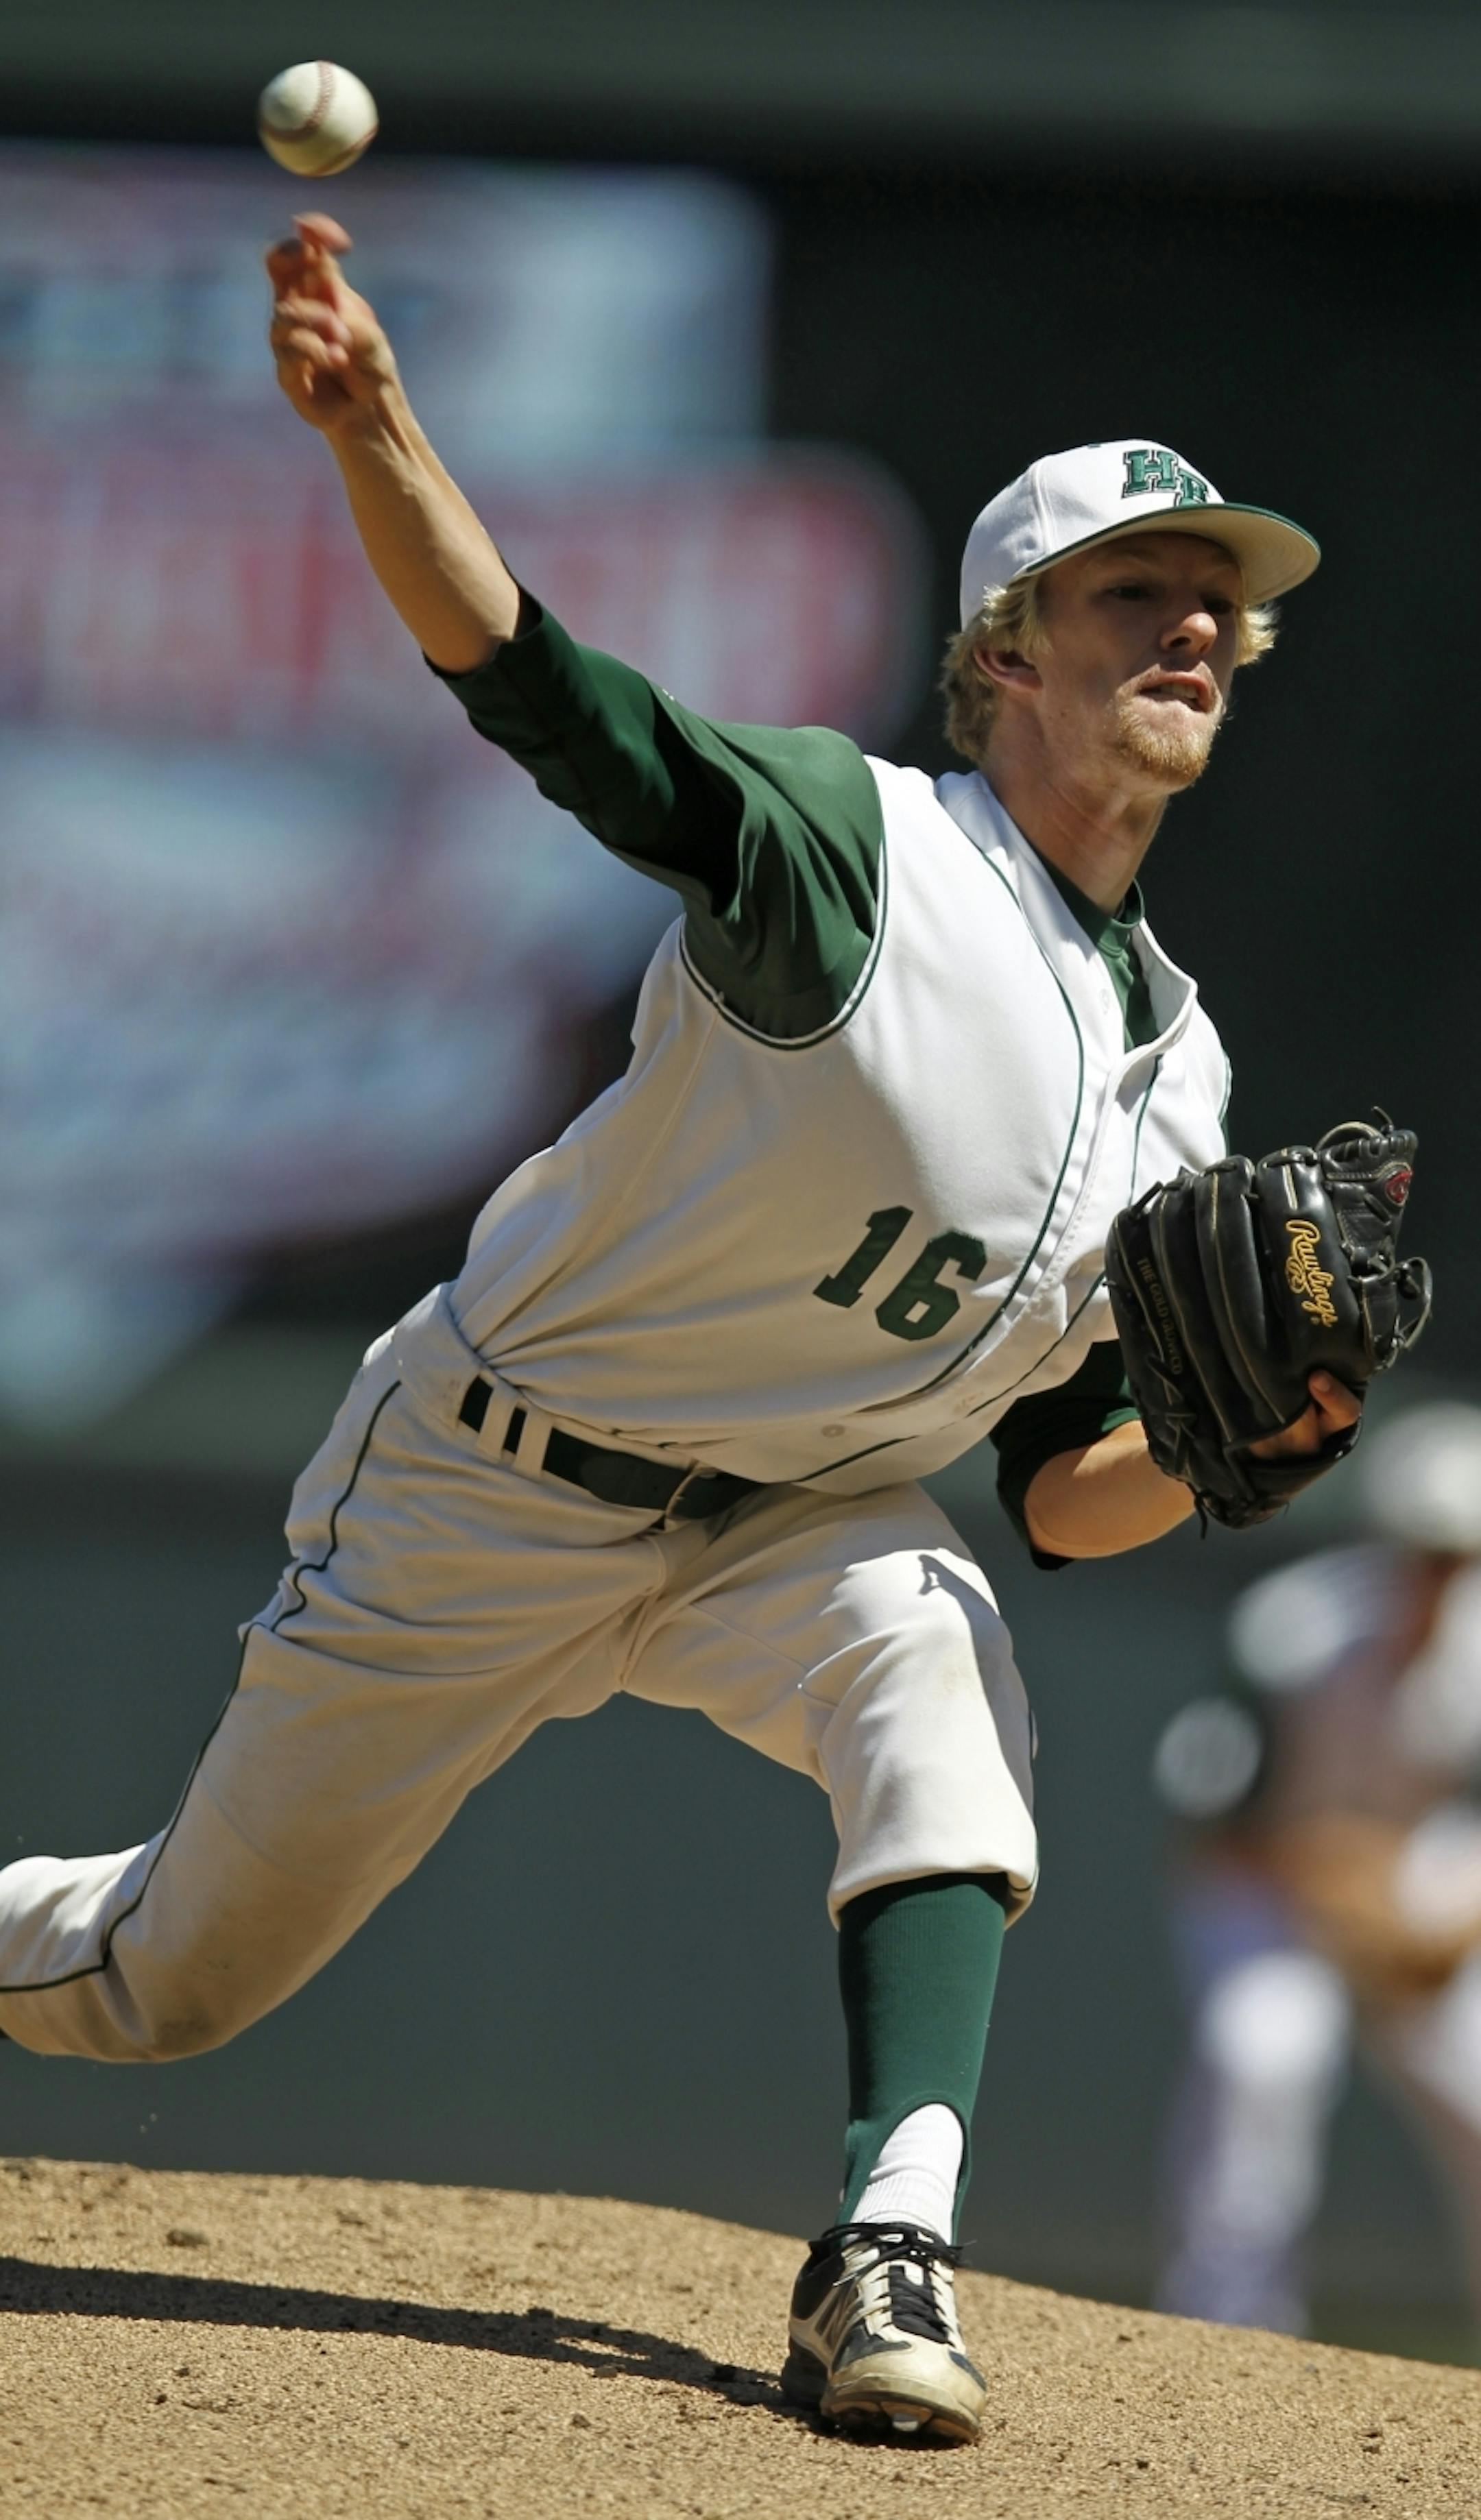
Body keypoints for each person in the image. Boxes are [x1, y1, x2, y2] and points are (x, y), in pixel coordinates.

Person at [0, 213, 1357, 2448]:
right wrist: (379, 434)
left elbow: (1061, 1502)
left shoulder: (1183, 1079)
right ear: (1007, 650)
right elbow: (545, 692)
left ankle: (887, 2243)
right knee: (166, 1988)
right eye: (1143, 588)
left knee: (937, 1645)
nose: (1202, 622)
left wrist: (1242, 1449)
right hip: (495, 1468)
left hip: (794, 1519)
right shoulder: (859, 855)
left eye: (1225, 602)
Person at [1154, 1404, 1481, 2341]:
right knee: (1264, 2054)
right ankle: (1230, 2334)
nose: (1438, 1573)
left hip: (1420, 1873)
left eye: (1459, 1553)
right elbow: (1215, 1823)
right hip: (1269, 1887)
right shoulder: (1292, 1629)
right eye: (1424, 1548)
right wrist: (1359, 1906)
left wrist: (1451, 1928)